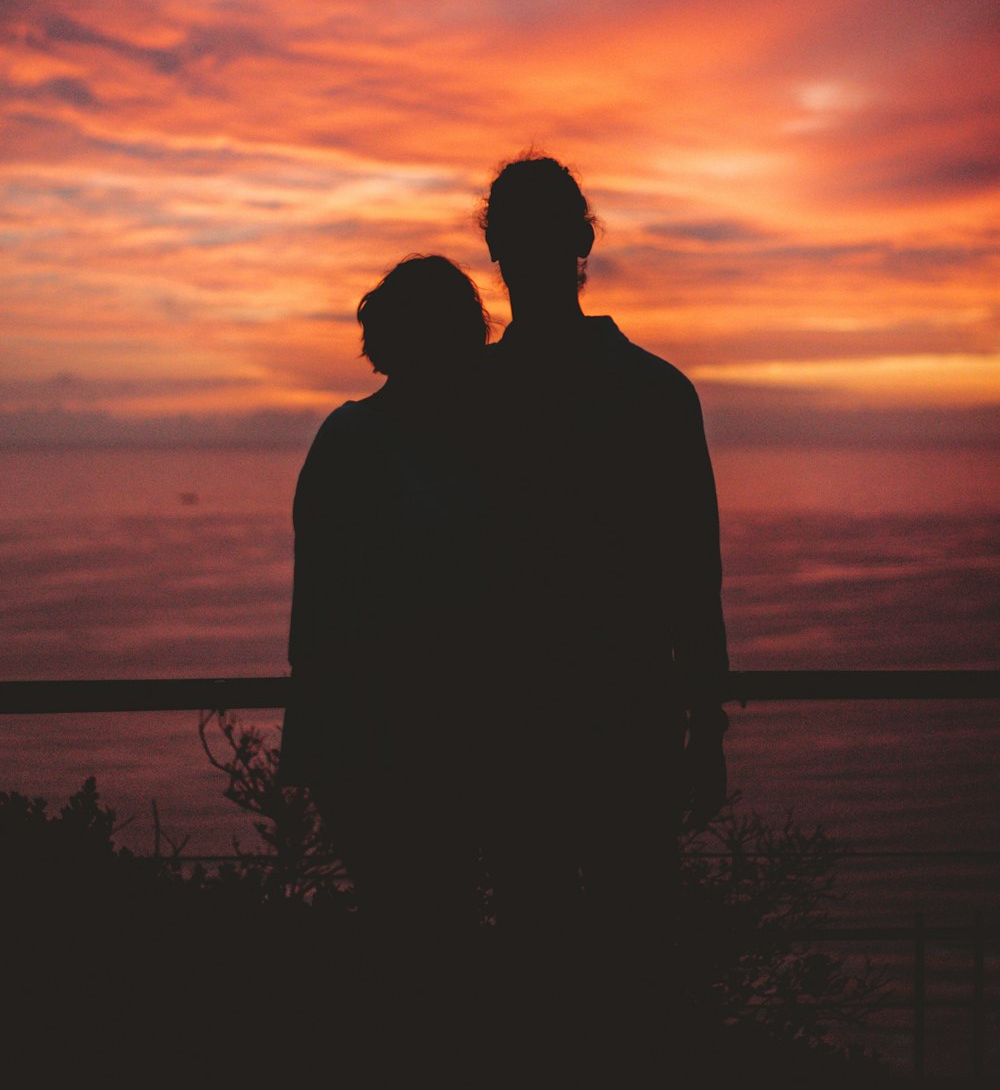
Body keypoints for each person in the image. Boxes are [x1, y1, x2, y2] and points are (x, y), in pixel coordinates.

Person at [478, 153, 729, 1072]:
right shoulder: (655, 392)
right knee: (633, 959)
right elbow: (691, 572)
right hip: (622, 717)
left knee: (539, 954)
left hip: (518, 724)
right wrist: (706, 725)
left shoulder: (472, 398)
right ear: (583, 244)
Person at [278, 255, 491, 978]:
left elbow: (317, 610)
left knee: (412, 925)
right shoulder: (483, 443)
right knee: (435, 924)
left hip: (404, 726)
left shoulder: (355, 441)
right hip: (425, 727)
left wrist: (309, 739)